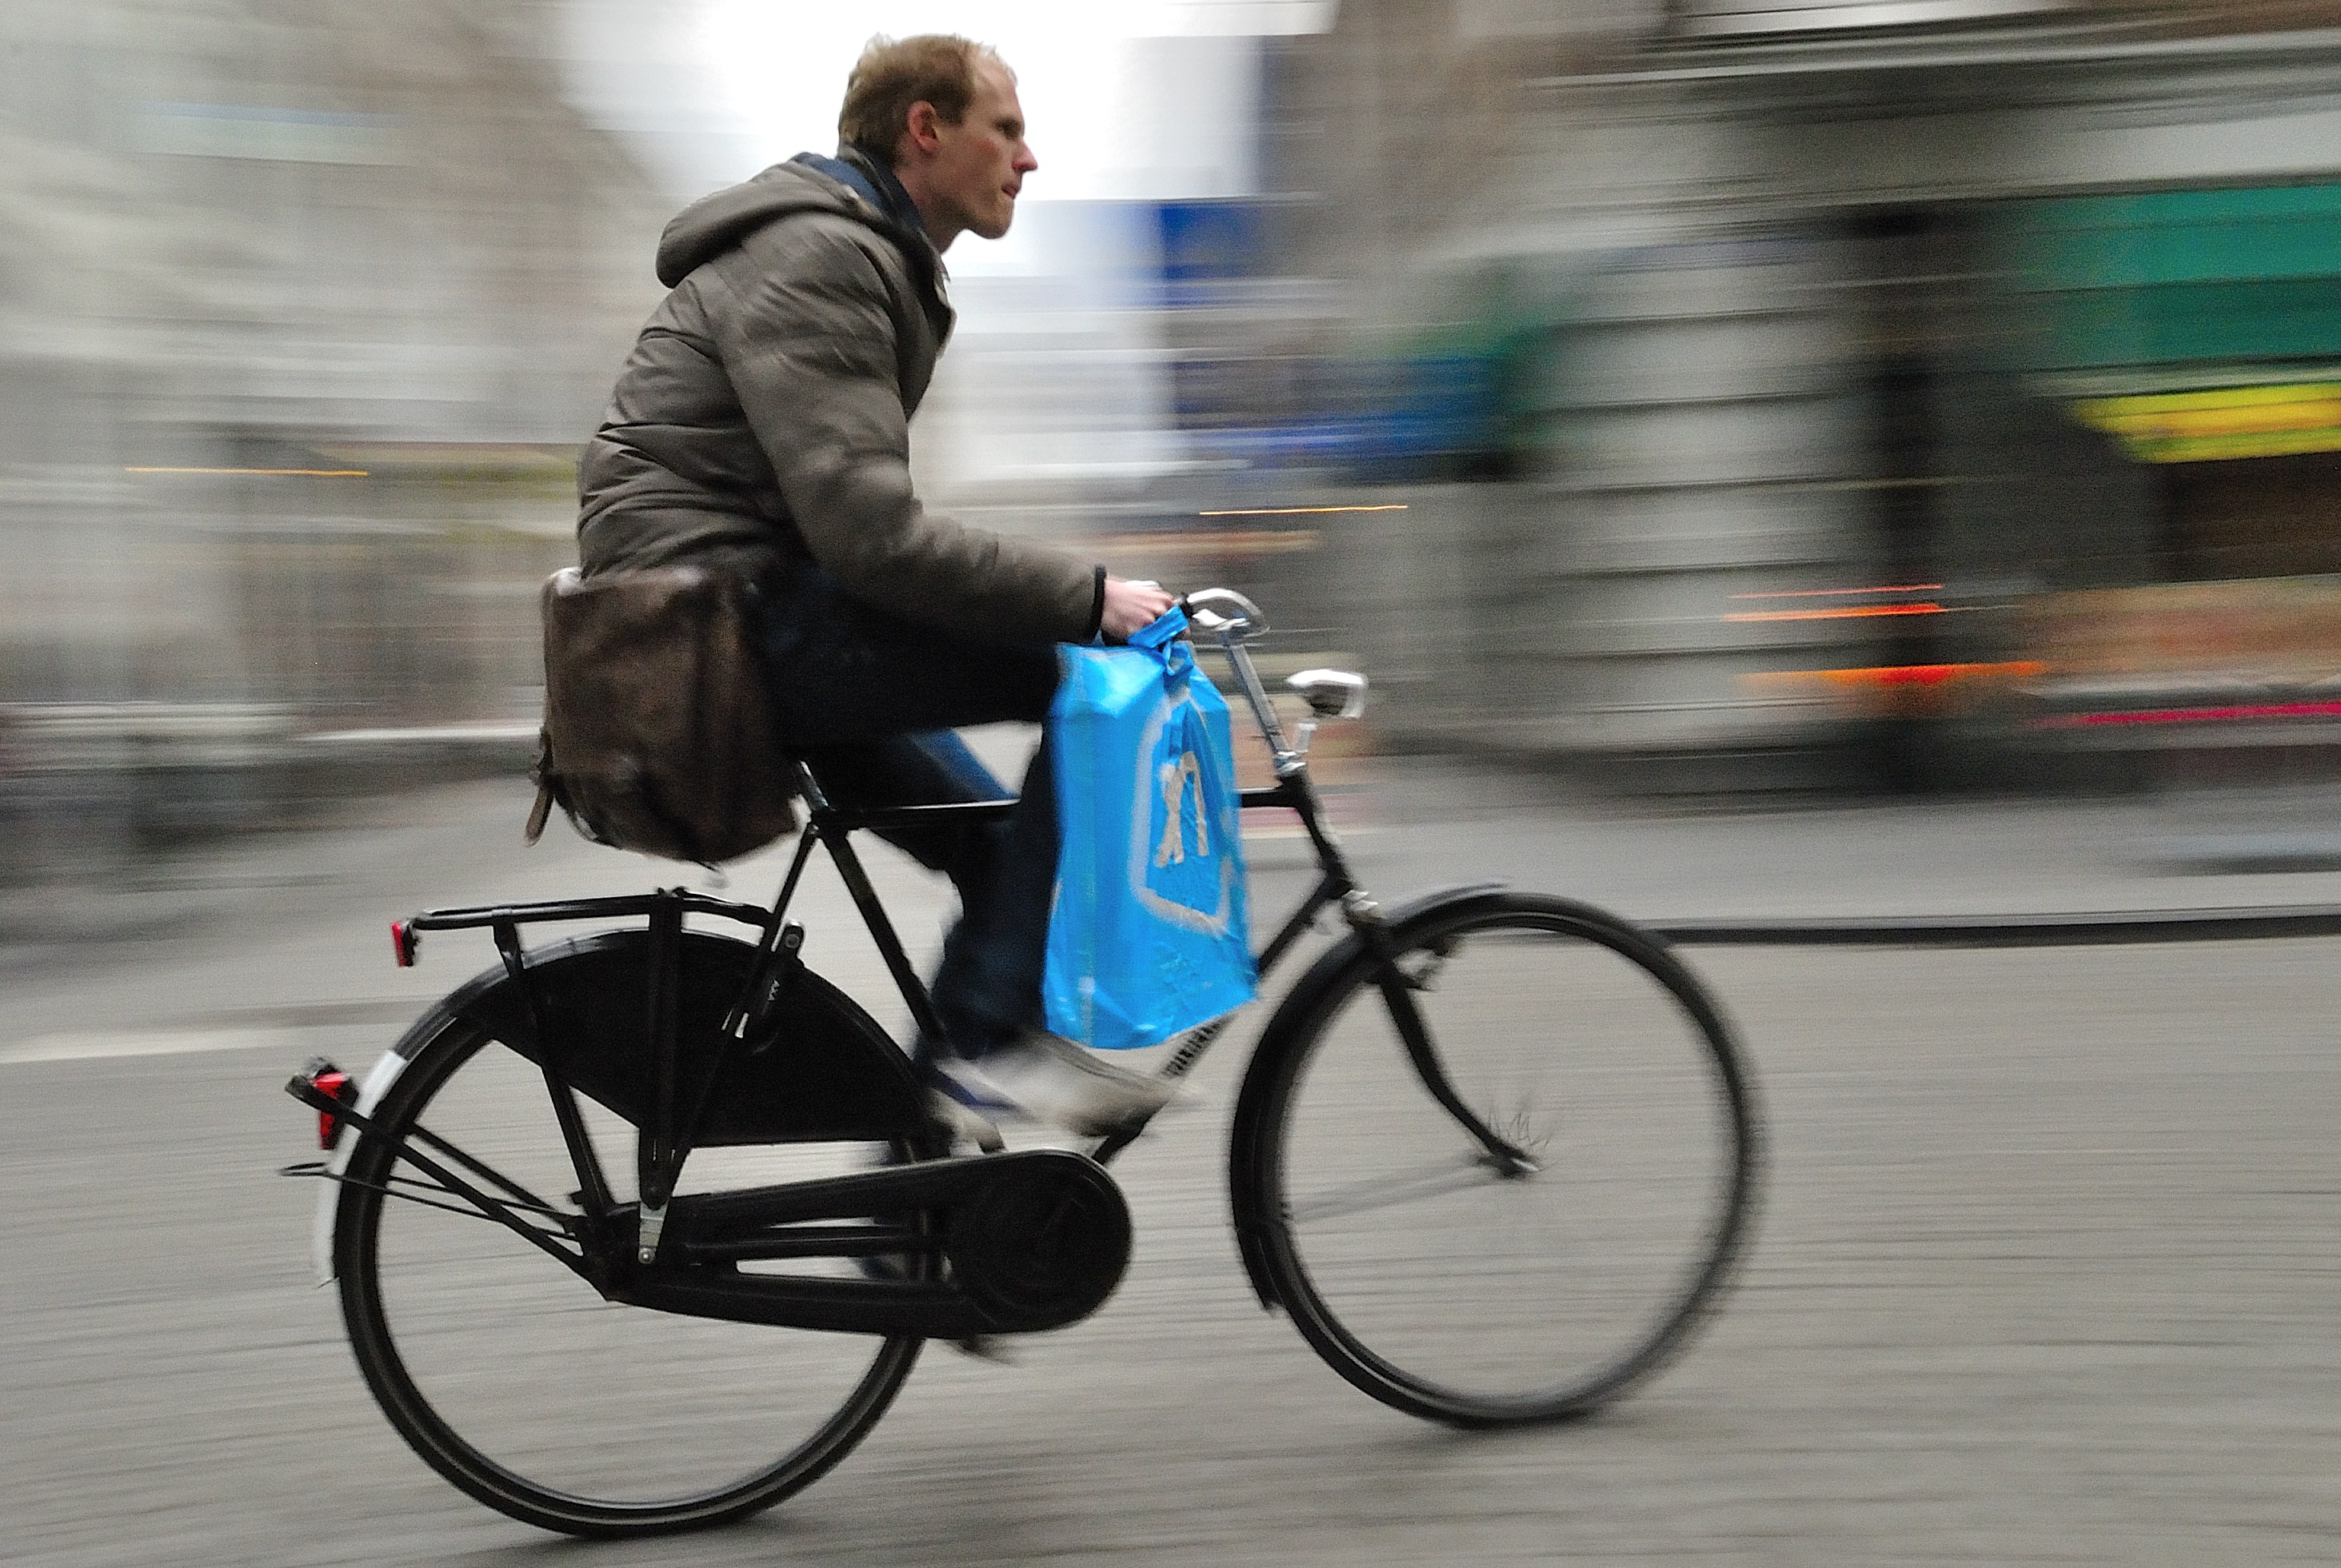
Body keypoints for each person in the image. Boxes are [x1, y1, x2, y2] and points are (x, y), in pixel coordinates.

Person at [574, 34, 1176, 1136]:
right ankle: (985, 1048)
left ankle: (923, 1188)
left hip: (734, 614)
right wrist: (1090, 598)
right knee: (1086, 680)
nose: (1028, 158)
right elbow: (872, 538)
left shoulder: (859, 253)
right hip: (719, 630)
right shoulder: (822, 257)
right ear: (925, 130)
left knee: (991, 842)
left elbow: (850, 533)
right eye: (1006, 129)